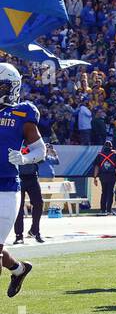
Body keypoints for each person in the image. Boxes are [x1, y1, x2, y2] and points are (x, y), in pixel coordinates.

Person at [0, 63, 40, 296]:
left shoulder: (22, 113)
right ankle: (19, 269)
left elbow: (40, 149)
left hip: (5, 188)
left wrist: (24, 158)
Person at [13, 136, 55, 244]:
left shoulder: (35, 144)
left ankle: (35, 230)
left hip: (32, 176)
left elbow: (41, 159)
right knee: (19, 207)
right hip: (19, 177)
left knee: (38, 203)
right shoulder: (14, 141)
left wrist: (31, 155)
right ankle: (19, 236)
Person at [92, 137, 116, 215]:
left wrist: (95, 178)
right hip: (112, 175)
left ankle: (102, 210)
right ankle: (108, 210)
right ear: (111, 147)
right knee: (110, 192)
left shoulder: (99, 155)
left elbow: (96, 167)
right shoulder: (115, 154)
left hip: (102, 176)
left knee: (104, 192)